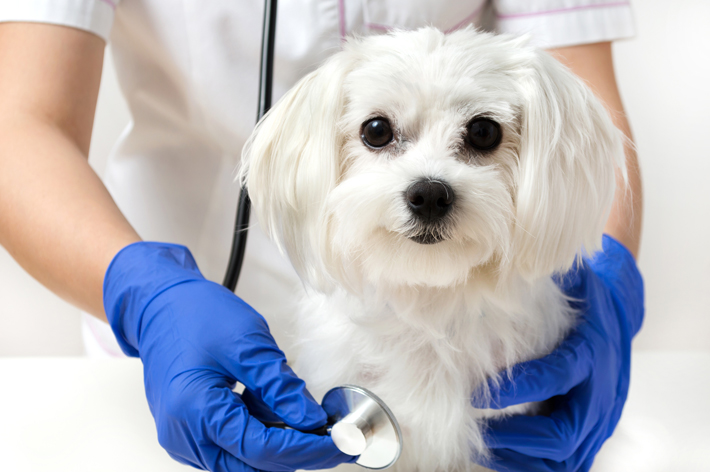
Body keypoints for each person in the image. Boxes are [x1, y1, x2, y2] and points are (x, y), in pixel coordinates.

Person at [0, 1, 643, 471]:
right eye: (378, 134)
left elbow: (580, 116)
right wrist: (143, 296)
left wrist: (608, 275)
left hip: (500, 325)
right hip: (175, 358)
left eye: (479, 136)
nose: (427, 182)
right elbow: (19, 125)